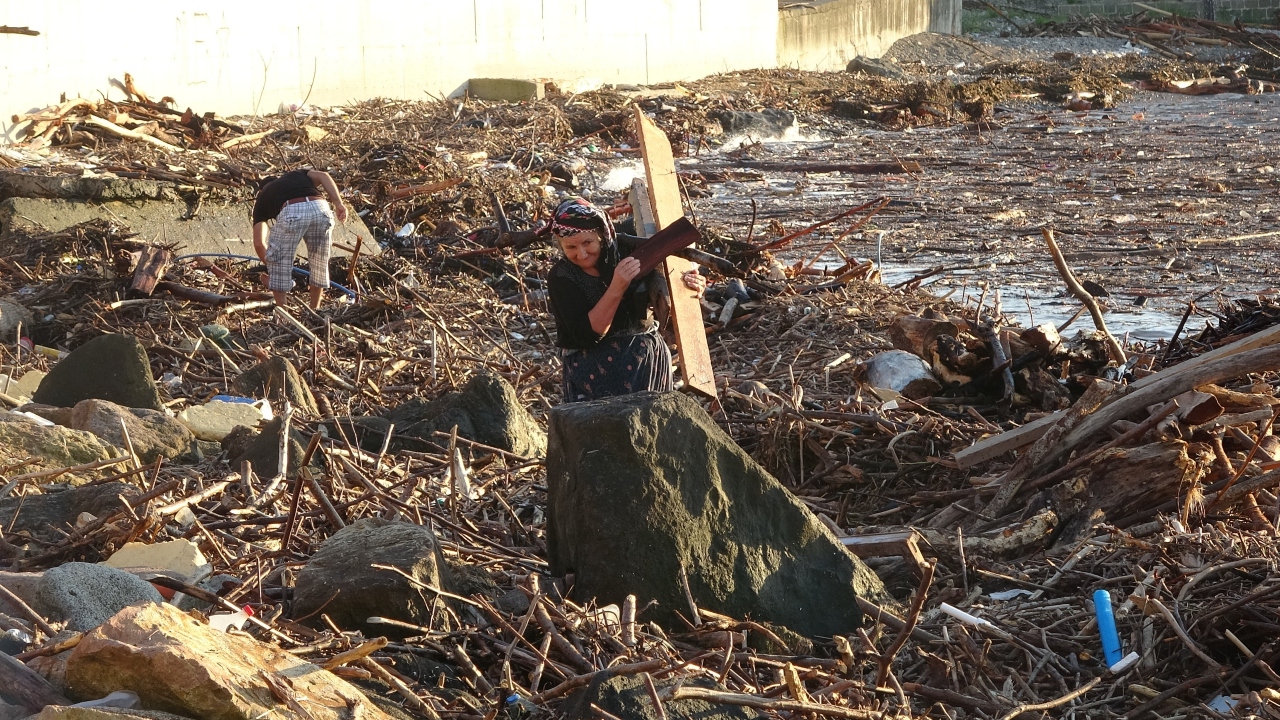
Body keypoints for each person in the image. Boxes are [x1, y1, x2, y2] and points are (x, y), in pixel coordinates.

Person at [544, 197, 706, 403]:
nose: (582, 254)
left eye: (587, 243)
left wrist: (692, 286)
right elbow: (587, 335)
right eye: (571, 248)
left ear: (601, 235)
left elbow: (671, 287)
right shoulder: (562, 276)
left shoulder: (630, 253)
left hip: (646, 365)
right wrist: (617, 286)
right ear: (561, 246)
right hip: (592, 375)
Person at [251, 168, 348, 309]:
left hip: (293, 210)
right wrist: (339, 204)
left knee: (277, 261)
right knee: (319, 262)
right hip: (321, 208)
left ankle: (284, 314)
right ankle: (315, 309)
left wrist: (271, 266)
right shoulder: (297, 174)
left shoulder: (262, 198)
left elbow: (259, 243)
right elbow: (323, 175)